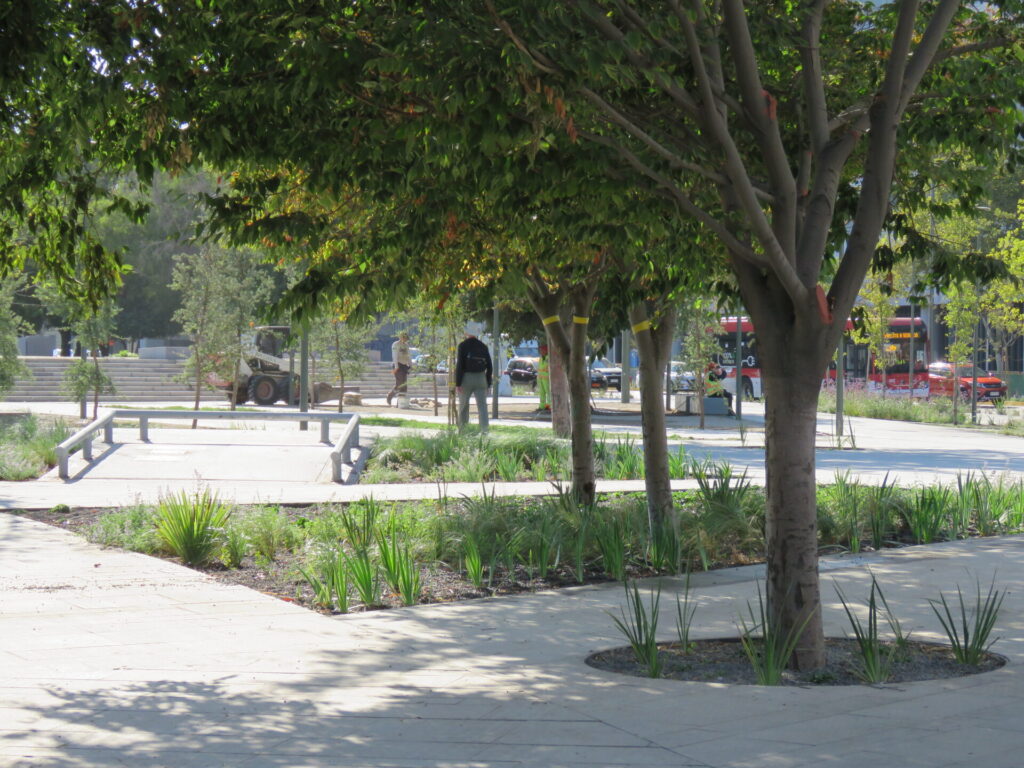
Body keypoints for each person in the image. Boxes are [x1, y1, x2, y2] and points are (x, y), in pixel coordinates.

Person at [455, 328, 492, 430]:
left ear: (466, 333)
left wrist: (458, 383)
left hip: (466, 378)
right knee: (482, 407)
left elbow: (460, 365)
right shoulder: (483, 346)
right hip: (481, 378)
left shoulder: (462, 345)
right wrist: (488, 383)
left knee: (463, 406)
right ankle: (484, 432)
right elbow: (489, 366)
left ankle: (463, 432)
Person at [387, 332, 411, 406]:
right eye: (404, 337)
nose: (405, 339)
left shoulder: (406, 345)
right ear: (401, 337)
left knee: (404, 385)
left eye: (406, 338)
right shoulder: (395, 344)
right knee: (400, 383)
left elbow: (408, 356)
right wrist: (396, 367)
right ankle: (390, 395)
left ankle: (400, 403)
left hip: (404, 366)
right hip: (397, 365)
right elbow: (395, 356)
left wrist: (410, 365)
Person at [536, 344, 550, 411]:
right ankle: (542, 406)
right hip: (541, 378)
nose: (540, 351)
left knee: (548, 393)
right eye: (540, 350)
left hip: (547, 378)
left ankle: (549, 406)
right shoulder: (541, 358)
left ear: (546, 350)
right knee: (542, 393)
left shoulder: (549, 358)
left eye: (541, 350)